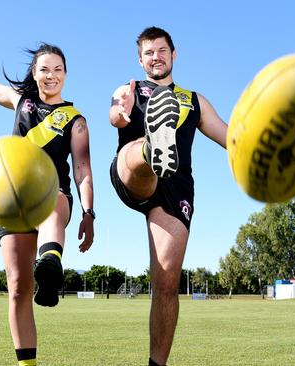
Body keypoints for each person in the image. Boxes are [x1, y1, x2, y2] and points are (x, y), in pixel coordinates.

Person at [0, 37, 95, 366]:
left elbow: (82, 169)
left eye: (57, 69)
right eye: (44, 70)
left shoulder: (75, 120)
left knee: (52, 202)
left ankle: (51, 262)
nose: (51, 75)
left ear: (66, 73)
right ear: (34, 74)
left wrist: (88, 211)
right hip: (11, 200)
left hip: (54, 191)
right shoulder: (21, 101)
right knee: (19, 286)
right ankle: (27, 364)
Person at [108, 26, 227, 366]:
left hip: (176, 188)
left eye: (161, 50)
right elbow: (115, 115)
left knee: (166, 282)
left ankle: (156, 365)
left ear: (174, 54)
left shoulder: (193, 100)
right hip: (132, 172)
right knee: (137, 158)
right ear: (140, 59)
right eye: (148, 52)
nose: (155, 57)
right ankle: (152, 146)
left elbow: (231, 138)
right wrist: (121, 112)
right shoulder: (129, 88)